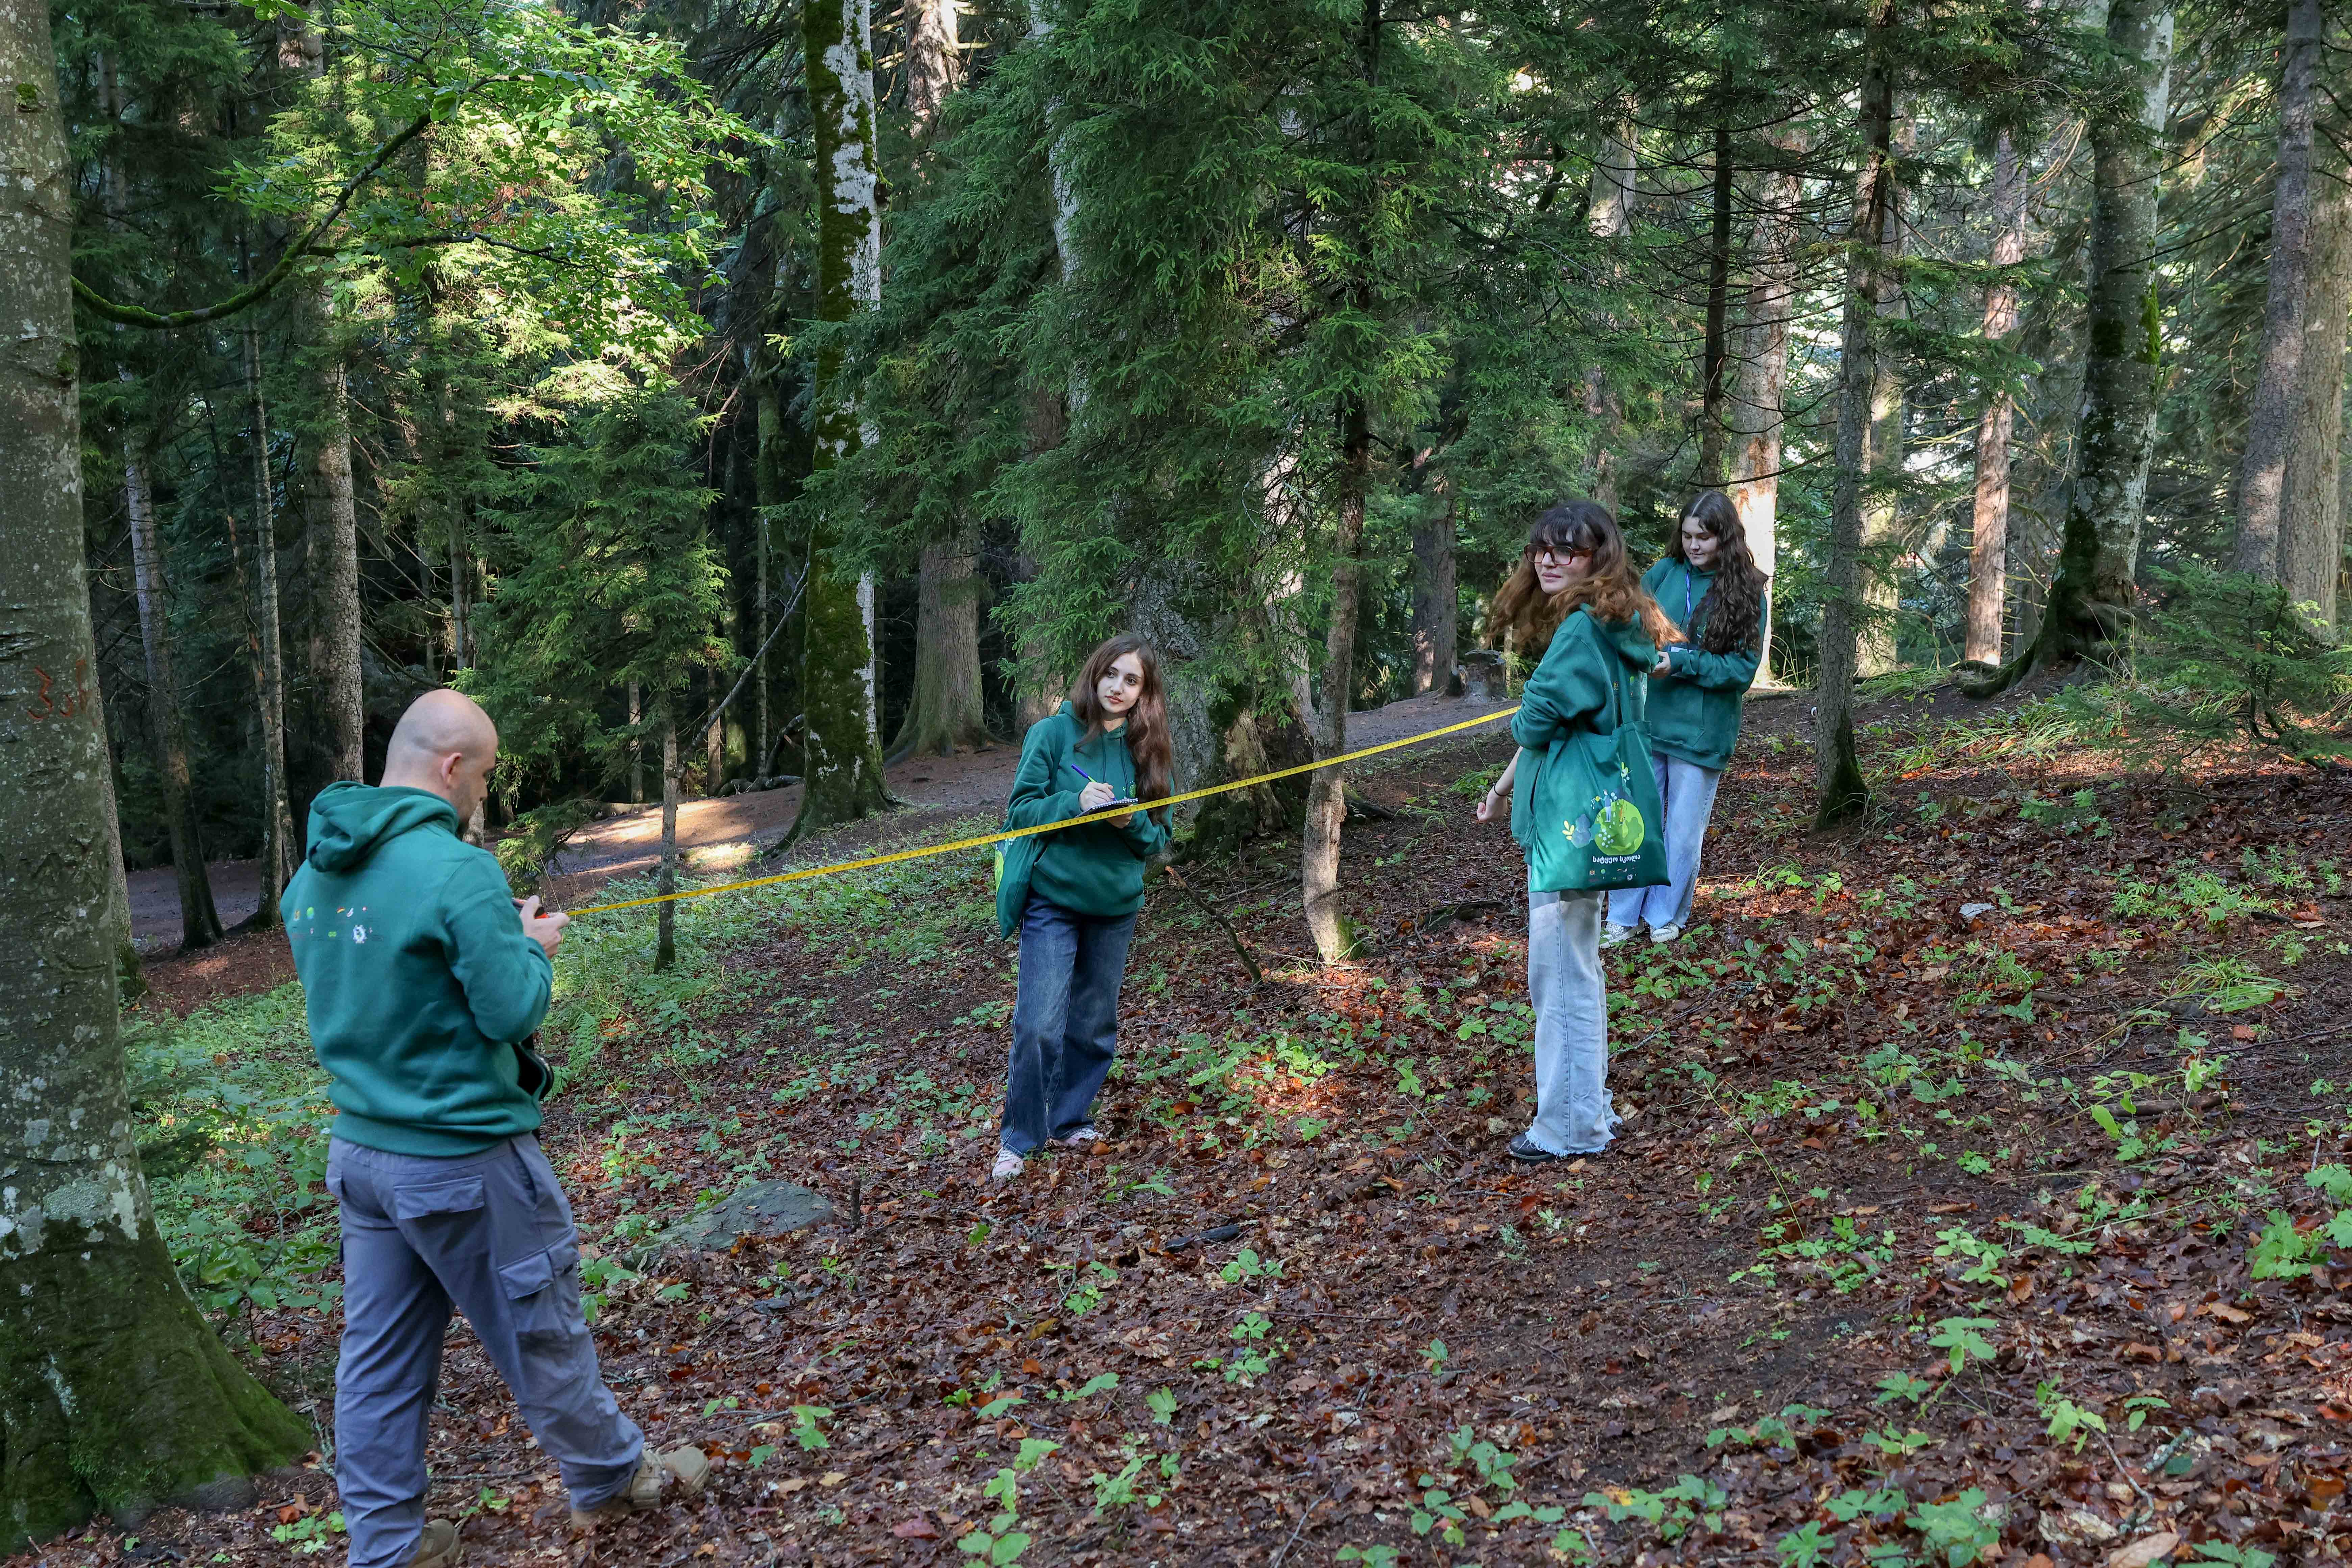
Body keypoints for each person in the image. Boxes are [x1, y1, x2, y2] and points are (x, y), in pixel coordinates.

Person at [285, 690, 707, 1568]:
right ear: (451, 768)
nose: (483, 793)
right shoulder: (457, 869)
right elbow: (510, 1009)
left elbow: (393, 982)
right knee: (542, 1327)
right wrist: (529, 948)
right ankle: (612, 1478)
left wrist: (493, 939)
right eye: (482, 776)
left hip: (363, 1158)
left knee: (377, 1364)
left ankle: (386, 1547)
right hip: (463, 1158)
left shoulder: (315, 872)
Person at [1473, 501, 1677, 1162]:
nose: (1549, 560)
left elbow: (1534, 722)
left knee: (1559, 976)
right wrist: (1502, 788)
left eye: (1568, 550)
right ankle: (1588, 1109)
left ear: (1598, 557)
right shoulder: (1616, 623)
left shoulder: (1581, 630)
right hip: (1587, 821)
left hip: (1569, 828)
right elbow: (1556, 723)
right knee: (1578, 969)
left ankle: (1568, 1126)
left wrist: (1522, 723)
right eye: (1542, 548)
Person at [991, 635, 1174, 1182]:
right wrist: (1075, 803)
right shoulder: (1052, 734)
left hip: (1115, 906)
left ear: (1144, 692)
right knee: (1038, 1025)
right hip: (1054, 898)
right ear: (1095, 674)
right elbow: (1021, 812)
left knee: (1093, 1025)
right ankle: (1019, 1140)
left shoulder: (1149, 748)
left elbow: (1158, 838)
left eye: (1131, 680)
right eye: (1111, 674)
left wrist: (1127, 820)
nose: (1118, 687)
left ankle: (1070, 1120)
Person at [1603, 490, 1768, 947]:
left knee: (1681, 833)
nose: (1694, 545)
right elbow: (1629, 626)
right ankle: (1623, 915)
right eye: (1688, 535)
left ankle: (1664, 916)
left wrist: (1682, 663)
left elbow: (1741, 671)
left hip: (1702, 731)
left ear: (1725, 538)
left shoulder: (1747, 590)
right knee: (1634, 821)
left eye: (1704, 537)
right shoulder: (1664, 573)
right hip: (1647, 724)